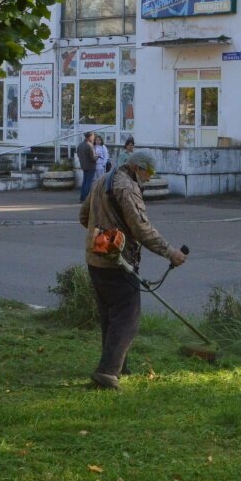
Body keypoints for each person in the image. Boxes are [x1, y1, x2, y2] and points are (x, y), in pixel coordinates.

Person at [79, 150, 186, 390]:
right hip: (117, 261)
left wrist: (101, 231)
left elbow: (84, 216)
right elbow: (141, 229)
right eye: (149, 172)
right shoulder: (126, 187)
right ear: (138, 167)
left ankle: (119, 364)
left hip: (95, 259)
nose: (149, 177)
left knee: (111, 315)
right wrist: (171, 252)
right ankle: (107, 372)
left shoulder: (102, 180)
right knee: (128, 317)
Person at [77, 131, 97, 203]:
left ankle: (82, 198)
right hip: (91, 166)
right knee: (89, 182)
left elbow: (78, 155)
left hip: (83, 165)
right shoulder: (90, 146)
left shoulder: (80, 145)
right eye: (93, 136)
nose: (94, 138)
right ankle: (86, 198)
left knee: (84, 182)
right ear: (90, 137)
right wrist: (97, 156)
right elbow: (93, 158)